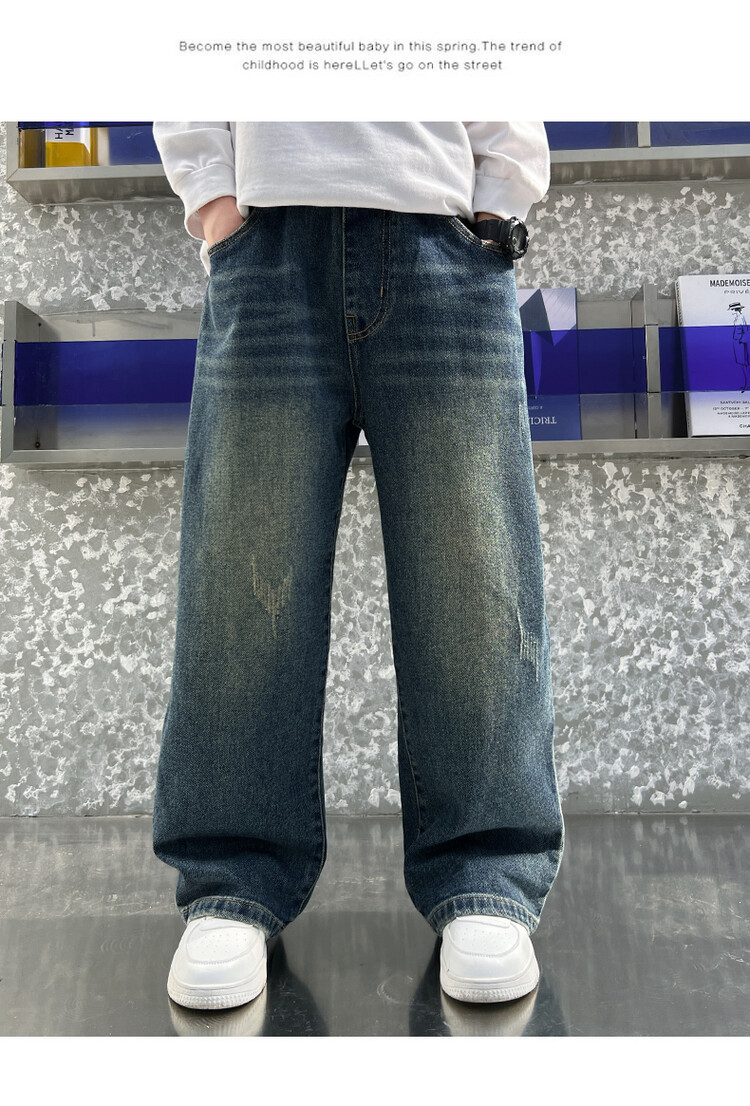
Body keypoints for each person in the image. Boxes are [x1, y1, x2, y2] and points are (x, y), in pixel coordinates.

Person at [151, 121, 565, 1011]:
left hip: (444, 245)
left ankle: (486, 875)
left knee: (475, 577)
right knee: (241, 577)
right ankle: (231, 879)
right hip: (268, 246)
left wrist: (497, 206)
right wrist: (214, 202)